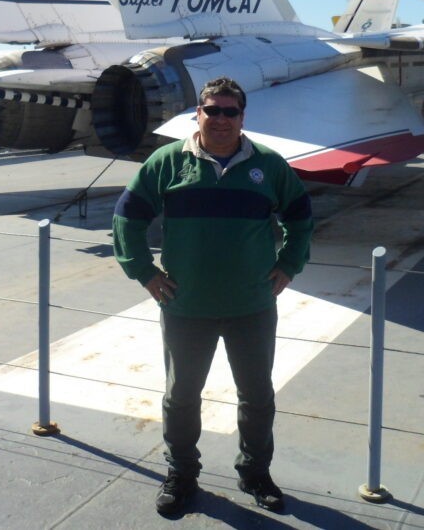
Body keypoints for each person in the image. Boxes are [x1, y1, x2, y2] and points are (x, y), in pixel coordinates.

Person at [112, 76, 314, 516]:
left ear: (242, 116)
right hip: (187, 307)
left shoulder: (270, 165)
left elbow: (301, 217)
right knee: (181, 396)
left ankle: (255, 473)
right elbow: (127, 218)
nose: (221, 119)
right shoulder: (167, 162)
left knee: (257, 395)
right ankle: (182, 474)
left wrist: (290, 264)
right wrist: (143, 272)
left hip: (252, 306)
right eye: (212, 110)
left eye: (231, 111)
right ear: (197, 114)